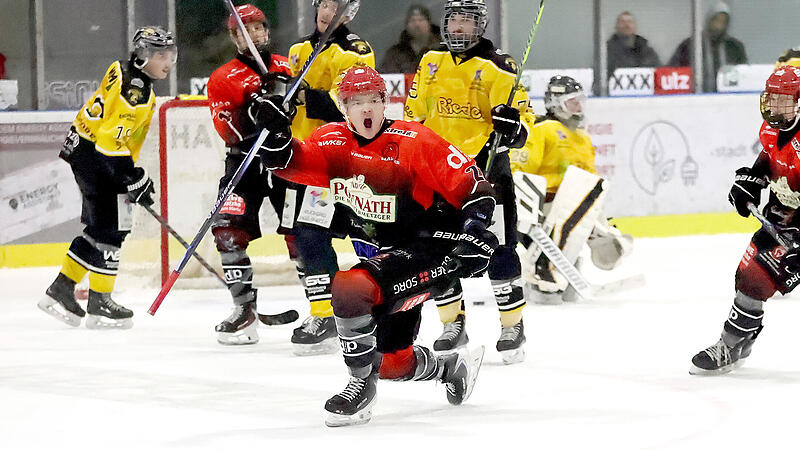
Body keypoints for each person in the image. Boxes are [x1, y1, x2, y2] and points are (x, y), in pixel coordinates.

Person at [257, 65, 494, 426]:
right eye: (355, 102)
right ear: (343, 106)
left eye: (373, 100)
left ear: (386, 102)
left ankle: (358, 387)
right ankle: (449, 368)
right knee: (391, 363)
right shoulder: (331, 140)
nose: (365, 110)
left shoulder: (415, 140)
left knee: (349, 287)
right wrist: (275, 134)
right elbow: (289, 163)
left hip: (431, 250)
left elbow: (475, 189)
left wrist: (476, 229)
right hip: (387, 258)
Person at [404, 0, 529, 364]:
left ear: (480, 26)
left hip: (488, 172)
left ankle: (511, 325)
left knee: (499, 249)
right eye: (453, 21)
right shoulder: (430, 60)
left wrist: (513, 128)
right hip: (440, 174)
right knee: (437, 250)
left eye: (466, 22)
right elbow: (415, 115)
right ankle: (452, 323)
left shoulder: (500, 66)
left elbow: (523, 124)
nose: (458, 28)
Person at [38, 27, 177, 329]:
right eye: (161, 55)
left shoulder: (121, 68)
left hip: (85, 149)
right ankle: (95, 300)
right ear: (143, 56)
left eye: (170, 55)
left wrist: (129, 176)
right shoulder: (135, 95)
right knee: (112, 228)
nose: (168, 62)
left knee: (106, 228)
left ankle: (68, 289)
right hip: (96, 156)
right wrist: (133, 177)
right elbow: (109, 144)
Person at [690, 67, 800, 375]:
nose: (777, 107)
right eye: (773, 100)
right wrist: (752, 180)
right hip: (786, 212)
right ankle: (734, 343)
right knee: (753, 271)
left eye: (785, 101)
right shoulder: (770, 129)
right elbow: (770, 158)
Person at [284, 0, 375, 355]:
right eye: (324, 3)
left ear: (348, 14)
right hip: (313, 163)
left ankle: (377, 306)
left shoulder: (357, 52)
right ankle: (324, 314)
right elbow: (292, 108)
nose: (328, 11)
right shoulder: (298, 51)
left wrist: (303, 93)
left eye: (337, 7)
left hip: (351, 161)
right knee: (308, 234)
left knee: (366, 239)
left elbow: (351, 103)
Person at [206, 4, 299, 345]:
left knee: (302, 233)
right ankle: (244, 311)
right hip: (244, 162)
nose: (255, 34)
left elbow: (304, 114)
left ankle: (325, 314)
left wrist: (287, 100)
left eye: (259, 28)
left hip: (287, 160)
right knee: (227, 229)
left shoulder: (287, 66)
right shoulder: (223, 77)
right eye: (246, 30)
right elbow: (227, 128)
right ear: (234, 38)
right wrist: (254, 106)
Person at [510, 76, 633, 303]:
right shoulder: (542, 129)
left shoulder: (583, 137)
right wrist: (525, 209)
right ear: (555, 103)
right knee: (550, 288)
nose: (579, 106)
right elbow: (519, 171)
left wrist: (599, 215)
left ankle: (561, 264)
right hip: (544, 206)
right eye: (572, 101)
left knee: (614, 246)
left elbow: (589, 181)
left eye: (579, 101)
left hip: (574, 206)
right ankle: (542, 270)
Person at [667, 0, 747, 92]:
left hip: (729, 99)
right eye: (716, 20)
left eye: (723, 22)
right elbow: (673, 73)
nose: (719, 26)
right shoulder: (690, 45)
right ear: (709, 20)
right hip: (695, 99)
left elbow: (744, 75)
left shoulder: (735, 47)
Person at [378, 4, 443, 74]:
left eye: (421, 20)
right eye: (412, 20)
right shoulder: (396, 53)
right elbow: (386, 76)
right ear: (407, 25)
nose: (417, 24)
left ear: (429, 23)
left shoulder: (442, 49)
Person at [606, 11, 660, 76]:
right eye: (622, 22)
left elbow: (658, 69)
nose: (627, 25)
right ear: (616, 26)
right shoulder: (607, 50)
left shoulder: (645, 48)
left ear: (635, 26)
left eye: (630, 22)